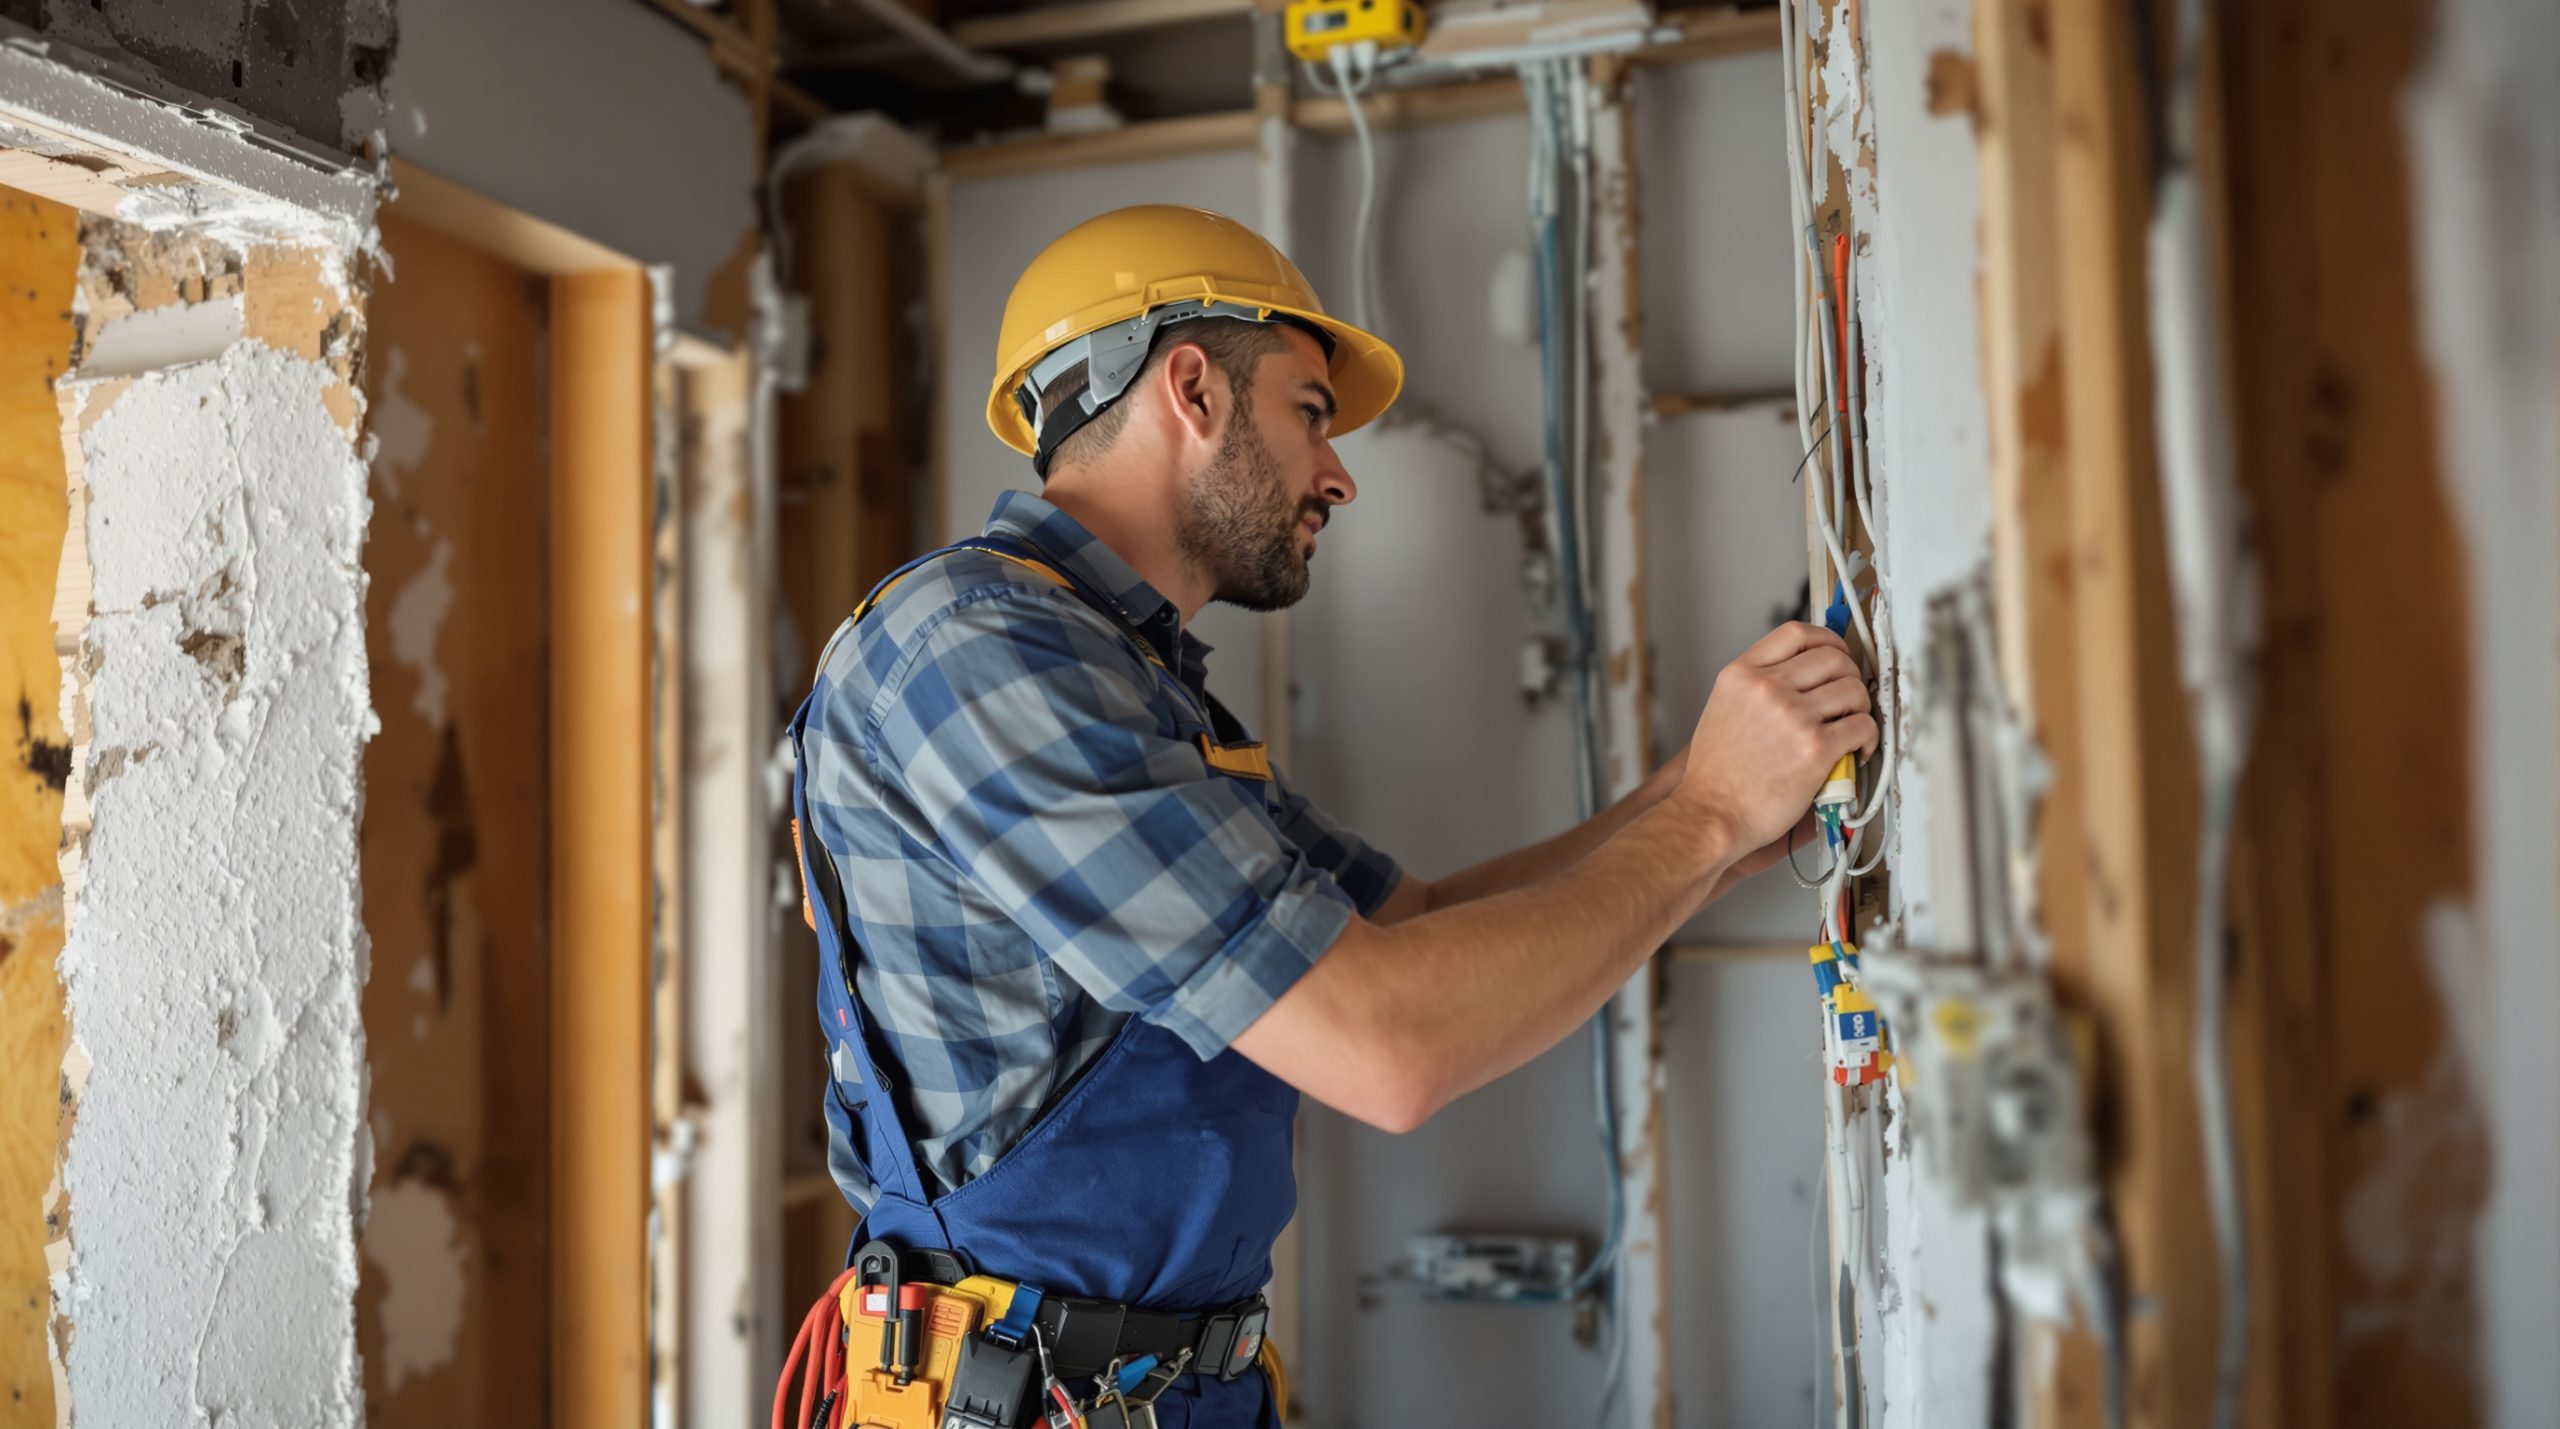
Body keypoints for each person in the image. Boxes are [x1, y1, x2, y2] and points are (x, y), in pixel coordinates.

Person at [788, 204, 1875, 1428]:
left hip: (1153, 1391)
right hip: (1022, 1400)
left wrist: (1716, 798)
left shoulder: (1125, 678)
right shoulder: (974, 653)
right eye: (1312, 411)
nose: (1339, 472)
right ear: (1191, 390)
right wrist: (1717, 815)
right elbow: (1387, 1046)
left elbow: (1413, 924)